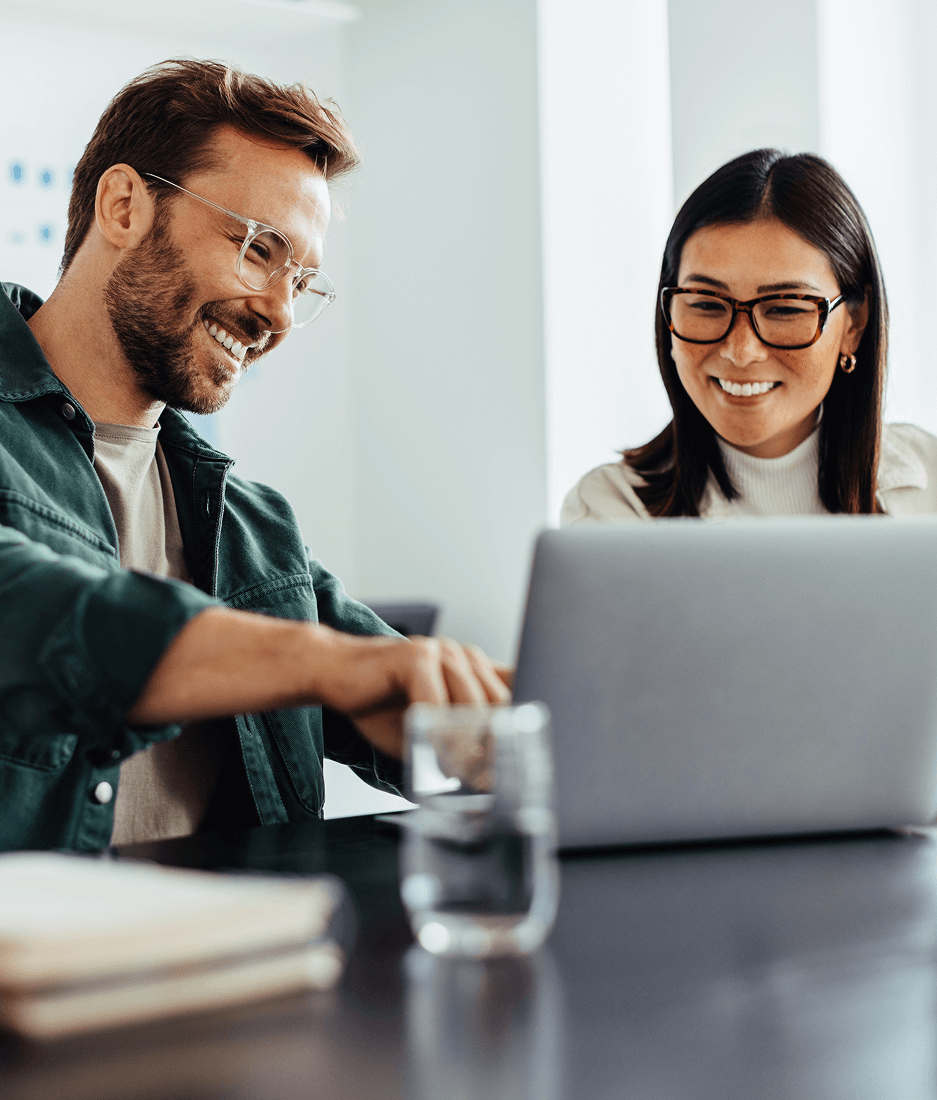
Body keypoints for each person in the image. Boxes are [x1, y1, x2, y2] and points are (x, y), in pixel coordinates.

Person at [0, 59, 509, 853]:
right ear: (125, 205)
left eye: (300, 279)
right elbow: (40, 617)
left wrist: (494, 718)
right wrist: (321, 662)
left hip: (258, 958)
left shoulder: (252, 524)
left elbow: (391, 686)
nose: (277, 311)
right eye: (257, 248)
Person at [562, 149, 937, 524]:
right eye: (707, 305)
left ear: (854, 325)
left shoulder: (930, 487)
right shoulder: (609, 511)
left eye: (786, 308)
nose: (741, 351)